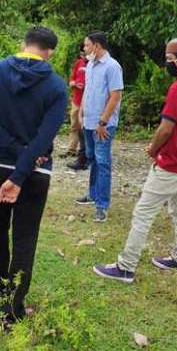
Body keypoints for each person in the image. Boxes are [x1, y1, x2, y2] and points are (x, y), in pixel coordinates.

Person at [93, 39, 177, 283]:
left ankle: (126, 266)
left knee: (143, 212)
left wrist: (154, 149)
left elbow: (166, 128)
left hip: (172, 161)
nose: (166, 64)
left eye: (169, 59)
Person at [0, 26, 67, 324]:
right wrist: (22, 164)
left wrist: (13, 155)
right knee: (25, 239)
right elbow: (44, 137)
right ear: (50, 52)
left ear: (23, 44)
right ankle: (13, 309)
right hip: (34, 173)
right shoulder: (56, 86)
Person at [75, 31, 123, 223]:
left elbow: (115, 96)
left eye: (87, 45)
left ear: (97, 46)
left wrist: (103, 122)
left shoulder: (112, 66)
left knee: (103, 162)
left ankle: (102, 205)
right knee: (92, 158)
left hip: (103, 124)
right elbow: (88, 90)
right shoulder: (90, 65)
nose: (85, 48)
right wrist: (81, 112)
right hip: (89, 121)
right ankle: (93, 194)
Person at [66, 43, 88, 171]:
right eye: (81, 53)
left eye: (84, 53)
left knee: (85, 127)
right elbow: (71, 80)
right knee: (74, 125)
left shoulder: (93, 65)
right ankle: (71, 149)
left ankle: (85, 152)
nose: (83, 55)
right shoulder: (78, 63)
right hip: (77, 99)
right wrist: (75, 84)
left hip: (88, 102)